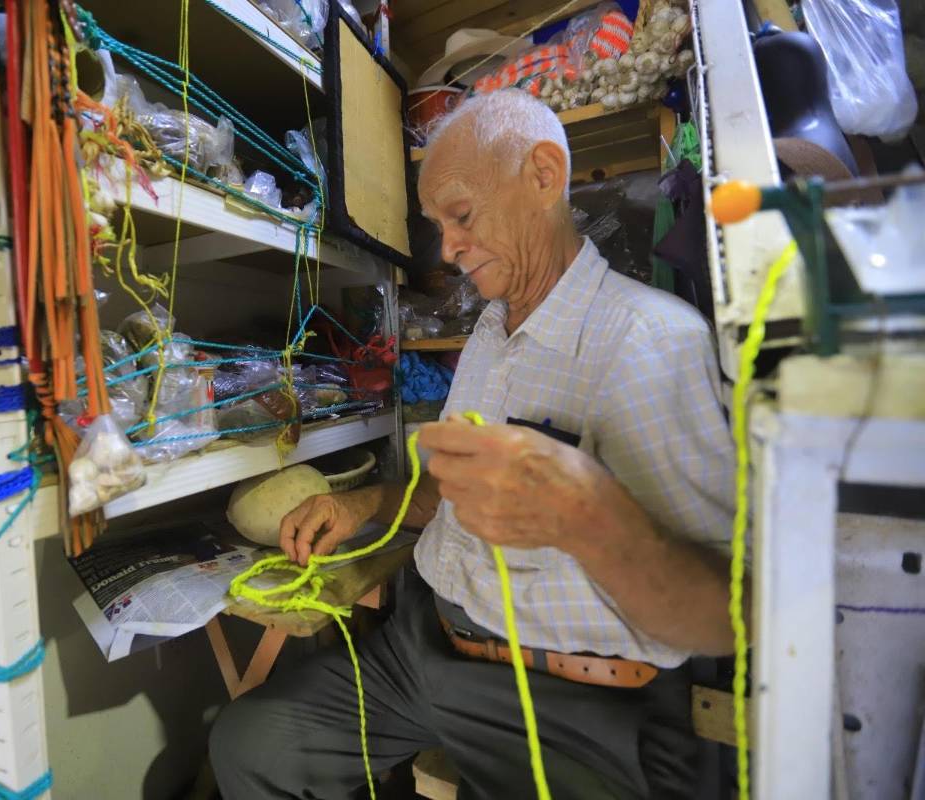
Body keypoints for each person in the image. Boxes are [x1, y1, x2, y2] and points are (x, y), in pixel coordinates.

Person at [209, 90, 739, 799]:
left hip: (569, 696)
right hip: (425, 647)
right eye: (438, 225)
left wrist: (587, 513)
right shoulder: (492, 333)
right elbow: (448, 499)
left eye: (461, 216)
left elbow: (721, 615)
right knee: (251, 746)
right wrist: (365, 503)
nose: (448, 247)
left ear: (545, 176)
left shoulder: (648, 342)